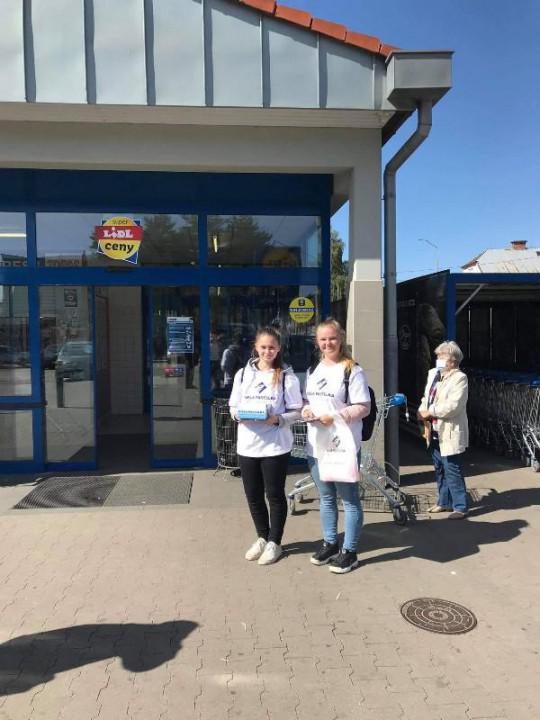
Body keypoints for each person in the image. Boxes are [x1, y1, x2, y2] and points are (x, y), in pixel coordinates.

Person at [302, 318, 371, 574]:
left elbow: (364, 407)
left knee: (349, 500)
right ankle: (330, 543)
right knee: (326, 497)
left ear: (340, 339)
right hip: (317, 445)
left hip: (342, 446)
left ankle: (350, 552)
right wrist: (306, 410)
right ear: (317, 342)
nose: (328, 343)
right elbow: (307, 400)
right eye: (323, 339)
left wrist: (337, 416)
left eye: (332, 338)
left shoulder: (352, 370)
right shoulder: (313, 369)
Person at [229, 327, 303, 565]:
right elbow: (233, 406)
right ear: (256, 347)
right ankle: (262, 536)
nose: (267, 351)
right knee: (253, 495)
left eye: (272, 347)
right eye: (263, 347)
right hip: (248, 446)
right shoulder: (242, 374)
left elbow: (297, 411)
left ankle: (275, 542)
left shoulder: (287, 377)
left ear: (279, 348)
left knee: (274, 495)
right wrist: (239, 415)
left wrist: (277, 419)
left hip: (275, 446)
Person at [418, 340, 469, 519]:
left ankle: (460, 507)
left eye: (441, 356)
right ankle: (444, 502)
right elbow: (427, 397)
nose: (438, 359)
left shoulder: (460, 378)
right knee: (439, 467)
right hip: (433, 429)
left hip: (449, 430)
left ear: (452, 361)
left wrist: (430, 411)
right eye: (437, 355)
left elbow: (453, 406)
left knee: (452, 468)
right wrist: (421, 410)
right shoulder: (433, 374)